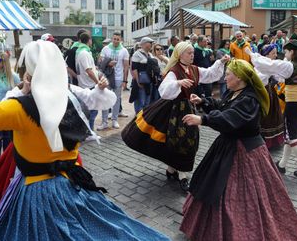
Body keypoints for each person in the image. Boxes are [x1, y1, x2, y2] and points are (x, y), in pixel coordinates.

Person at [0, 40, 169, 240]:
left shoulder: (18, 108)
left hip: (38, 192)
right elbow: (95, 100)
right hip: (73, 183)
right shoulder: (70, 97)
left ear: (30, 72)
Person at [179, 59, 297, 241]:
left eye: (228, 74)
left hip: (246, 152)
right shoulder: (237, 92)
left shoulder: (249, 99)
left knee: (241, 194)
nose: (225, 77)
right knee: (215, 186)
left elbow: (231, 117)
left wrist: (203, 120)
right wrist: (203, 102)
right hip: (229, 146)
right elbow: (224, 106)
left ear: (239, 77)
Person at [122, 41, 229, 192]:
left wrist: (220, 62)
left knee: (184, 141)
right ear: (180, 54)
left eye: (192, 53)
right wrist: (178, 83)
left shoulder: (194, 69)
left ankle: (172, 170)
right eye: (189, 53)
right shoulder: (174, 71)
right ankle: (183, 175)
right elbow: (164, 90)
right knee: (180, 141)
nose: (192, 55)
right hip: (173, 111)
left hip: (188, 108)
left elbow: (210, 74)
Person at [248, 36, 297, 177]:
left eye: (286, 52)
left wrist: (252, 54)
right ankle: (282, 165)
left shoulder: (290, 66)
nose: (284, 54)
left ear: (292, 52)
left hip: (293, 104)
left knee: (292, 136)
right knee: (289, 135)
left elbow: (270, 65)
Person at [97, 32, 130, 130]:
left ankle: (115, 120)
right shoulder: (106, 49)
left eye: (117, 39)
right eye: (114, 39)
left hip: (118, 78)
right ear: (112, 39)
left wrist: (125, 80)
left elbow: (126, 66)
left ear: (120, 40)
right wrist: (108, 63)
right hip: (106, 77)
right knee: (105, 98)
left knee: (117, 99)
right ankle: (104, 122)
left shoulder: (124, 51)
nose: (115, 41)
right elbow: (99, 62)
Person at [257, 44, 285, 149]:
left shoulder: (270, 64)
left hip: (269, 91)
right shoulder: (261, 65)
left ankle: (272, 141)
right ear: (267, 54)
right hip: (262, 92)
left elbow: (280, 77)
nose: (275, 55)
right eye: (273, 53)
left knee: (273, 115)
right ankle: (265, 140)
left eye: (276, 53)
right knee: (266, 116)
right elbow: (258, 78)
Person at [75, 32, 100, 139]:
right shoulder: (84, 53)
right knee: (92, 110)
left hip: (85, 85)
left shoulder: (80, 51)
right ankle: (89, 133)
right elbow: (88, 71)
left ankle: (89, 132)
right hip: (88, 86)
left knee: (89, 110)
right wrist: (98, 82)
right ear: (89, 40)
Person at [130, 37, 157, 113]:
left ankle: (144, 120)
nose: (152, 44)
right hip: (141, 81)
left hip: (149, 82)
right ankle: (139, 119)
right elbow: (134, 69)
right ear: (144, 44)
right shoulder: (137, 54)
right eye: (150, 43)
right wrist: (138, 81)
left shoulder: (150, 54)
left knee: (147, 102)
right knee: (141, 102)